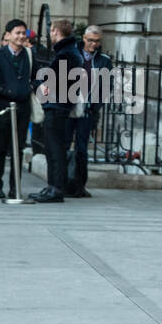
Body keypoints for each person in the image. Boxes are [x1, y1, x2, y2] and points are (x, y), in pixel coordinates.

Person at [28, 18, 83, 203]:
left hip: (58, 104)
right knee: (51, 149)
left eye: (51, 31)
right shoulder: (65, 52)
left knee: (55, 149)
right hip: (56, 104)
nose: (50, 34)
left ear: (56, 31)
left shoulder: (66, 54)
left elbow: (56, 79)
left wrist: (41, 84)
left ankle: (56, 188)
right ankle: (52, 186)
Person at [0, 19, 38, 199]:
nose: (21, 36)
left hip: (23, 107)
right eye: (18, 33)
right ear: (8, 35)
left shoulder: (29, 55)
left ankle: (15, 186)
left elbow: (37, 77)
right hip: (3, 107)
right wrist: (2, 91)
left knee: (18, 148)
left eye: (24, 33)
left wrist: (34, 87)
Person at [64, 25, 112, 198]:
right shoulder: (72, 54)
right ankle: (61, 183)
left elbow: (107, 86)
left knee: (82, 149)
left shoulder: (104, 59)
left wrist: (95, 106)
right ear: (83, 38)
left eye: (97, 41)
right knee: (64, 144)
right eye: (90, 40)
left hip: (88, 108)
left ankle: (79, 185)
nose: (93, 44)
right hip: (69, 106)